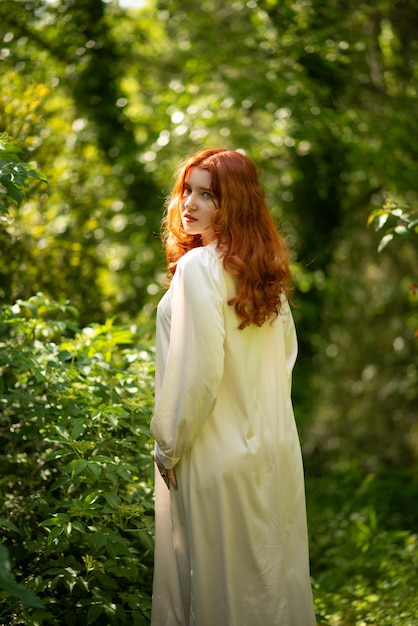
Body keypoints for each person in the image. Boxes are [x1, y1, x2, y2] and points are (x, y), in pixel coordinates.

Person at [150, 148, 316, 626]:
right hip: (273, 450)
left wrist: (168, 446)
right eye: (188, 190)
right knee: (269, 587)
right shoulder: (264, 276)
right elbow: (284, 363)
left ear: (235, 204)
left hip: (211, 454)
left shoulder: (199, 268)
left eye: (208, 195)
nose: (190, 204)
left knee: (217, 594)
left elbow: (196, 371)